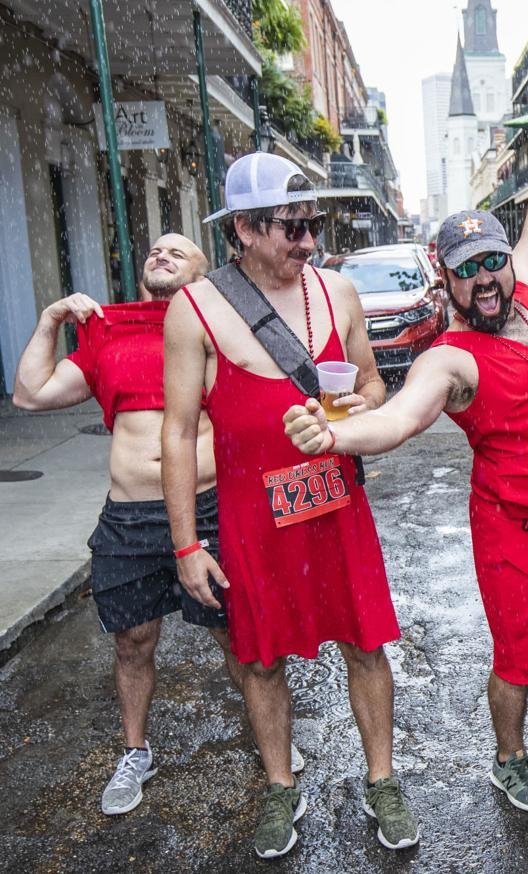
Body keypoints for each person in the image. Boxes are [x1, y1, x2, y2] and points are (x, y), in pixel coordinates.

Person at [283, 65, 528, 816]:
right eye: (466, 270)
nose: (484, 279)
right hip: (515, 530)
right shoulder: (452, 356)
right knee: (518, 656)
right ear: (445, 280)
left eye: (491, 262)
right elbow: (400, 419)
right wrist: (335, 431)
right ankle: (510, 757)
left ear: (508, 260)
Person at [161, 152, 418, 858]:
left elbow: (371, 385)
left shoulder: (335, 293)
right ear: (242, 229)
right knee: (262, 660)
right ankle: (280, 786)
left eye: (312, 224)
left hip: (337, 507)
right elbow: (178, 433)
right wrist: (186, 545)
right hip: (253, 520)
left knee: (366, 645)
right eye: (290, 228)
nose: (307, 241)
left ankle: (383, 780)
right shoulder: (196, 310)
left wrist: (348, 409)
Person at [11, 235, 304, 816]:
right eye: (154, 250)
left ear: (205, 274)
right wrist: (50, 319)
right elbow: (29, 393)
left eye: (178, 251)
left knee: (240, 640)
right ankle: (135, 751)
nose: (161, 255)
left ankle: (270, 743)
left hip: (210, 510)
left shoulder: (218, 332)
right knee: (132, 643)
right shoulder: (112, 336)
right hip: (129, 516)